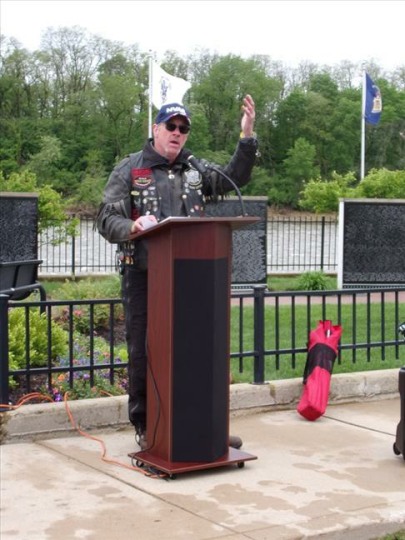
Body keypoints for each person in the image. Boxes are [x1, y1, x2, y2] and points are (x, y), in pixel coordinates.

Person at [96, 95, 258, 451]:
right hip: (144, 277)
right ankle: (148, 427)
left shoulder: (195, 169)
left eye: (183, 129)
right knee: (144, 350)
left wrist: (246, 137)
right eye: (171, 126)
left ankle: (201, 427)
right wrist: (133, 225)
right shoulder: (130, 169)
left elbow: (234, 178)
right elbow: (106, 219)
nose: (177, 133)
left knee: (196, 349)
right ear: (156, 129)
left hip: (191, 276)